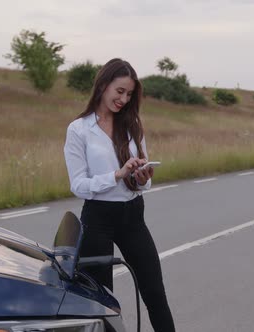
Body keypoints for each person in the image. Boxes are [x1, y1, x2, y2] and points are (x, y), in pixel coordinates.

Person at [63, 58, 175, 332]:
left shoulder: (132, 124)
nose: (123, 99)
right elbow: (78, 185)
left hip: (133, 215)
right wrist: (117, 174)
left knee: (155, 293)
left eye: (129, 94)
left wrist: (141, 178)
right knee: (102, 303)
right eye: (119, 91)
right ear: (103, 85)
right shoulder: (79, 129)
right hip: (98, 218)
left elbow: (140, 179)